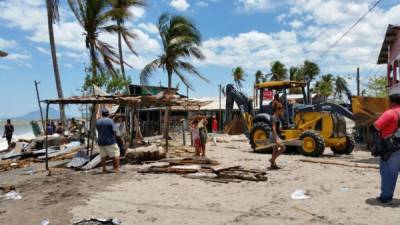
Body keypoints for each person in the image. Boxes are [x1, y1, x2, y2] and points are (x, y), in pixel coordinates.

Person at [374, 93, 400, 203]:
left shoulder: (390, 113)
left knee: (389, 172)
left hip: (392, 147)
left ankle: (386, 196)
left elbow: (377, 126)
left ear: (392, 102)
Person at [96, 109, 120, 173]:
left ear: (102, 114)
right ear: (108, 114)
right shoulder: (110, 121)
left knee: (103, 156)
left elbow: (99, 131)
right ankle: (116, 168)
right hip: (110, 141)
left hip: (101, 141)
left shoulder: (98, 121)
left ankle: (104, 169)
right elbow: (115, 130)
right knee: (116, 154)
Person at [269, 102, 286, 170]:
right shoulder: (273, 117)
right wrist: (276, 139)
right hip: (273, 135)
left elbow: (277, 128)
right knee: (283, 148)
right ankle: (272, 160)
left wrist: (281, 131)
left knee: (275, 150)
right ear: (277, 110)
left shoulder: (277, 117)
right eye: (281, 110)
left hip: (275, 134)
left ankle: (272, 165)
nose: (282, 111)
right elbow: (273, 128)